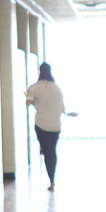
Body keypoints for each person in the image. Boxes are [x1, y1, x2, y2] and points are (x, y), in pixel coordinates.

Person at [25, 62, 77, 191]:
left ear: (40, 71)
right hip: (55, 125)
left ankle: (52, 180)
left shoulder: (34, 88)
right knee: (52, 151)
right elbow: (62, 109)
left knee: (47, 150)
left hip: (41, 124)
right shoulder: (57, 88)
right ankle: (52, 180)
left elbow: (28, 102)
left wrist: (31, 98)